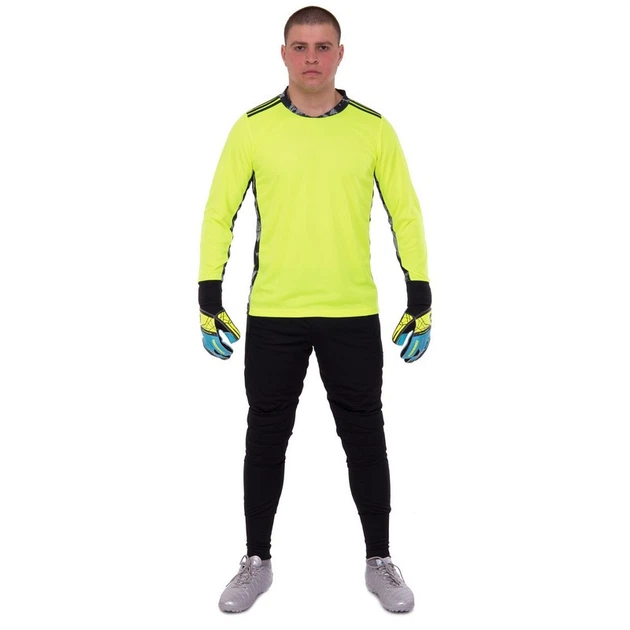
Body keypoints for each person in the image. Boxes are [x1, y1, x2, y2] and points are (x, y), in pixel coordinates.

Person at [197, 5, 432, 614]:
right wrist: (208, 295)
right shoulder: (252, 128)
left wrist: (420, 295)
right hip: (274, 312)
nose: (311, 57)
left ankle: (379, 559)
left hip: (351, 311)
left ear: (340, 54)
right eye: (300, 46)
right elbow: (219, 213)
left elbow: (405, 214)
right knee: (265, 437)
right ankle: (256, 560)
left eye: (323, 46)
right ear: (283, 54)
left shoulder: (373, 130)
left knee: (365, 437)